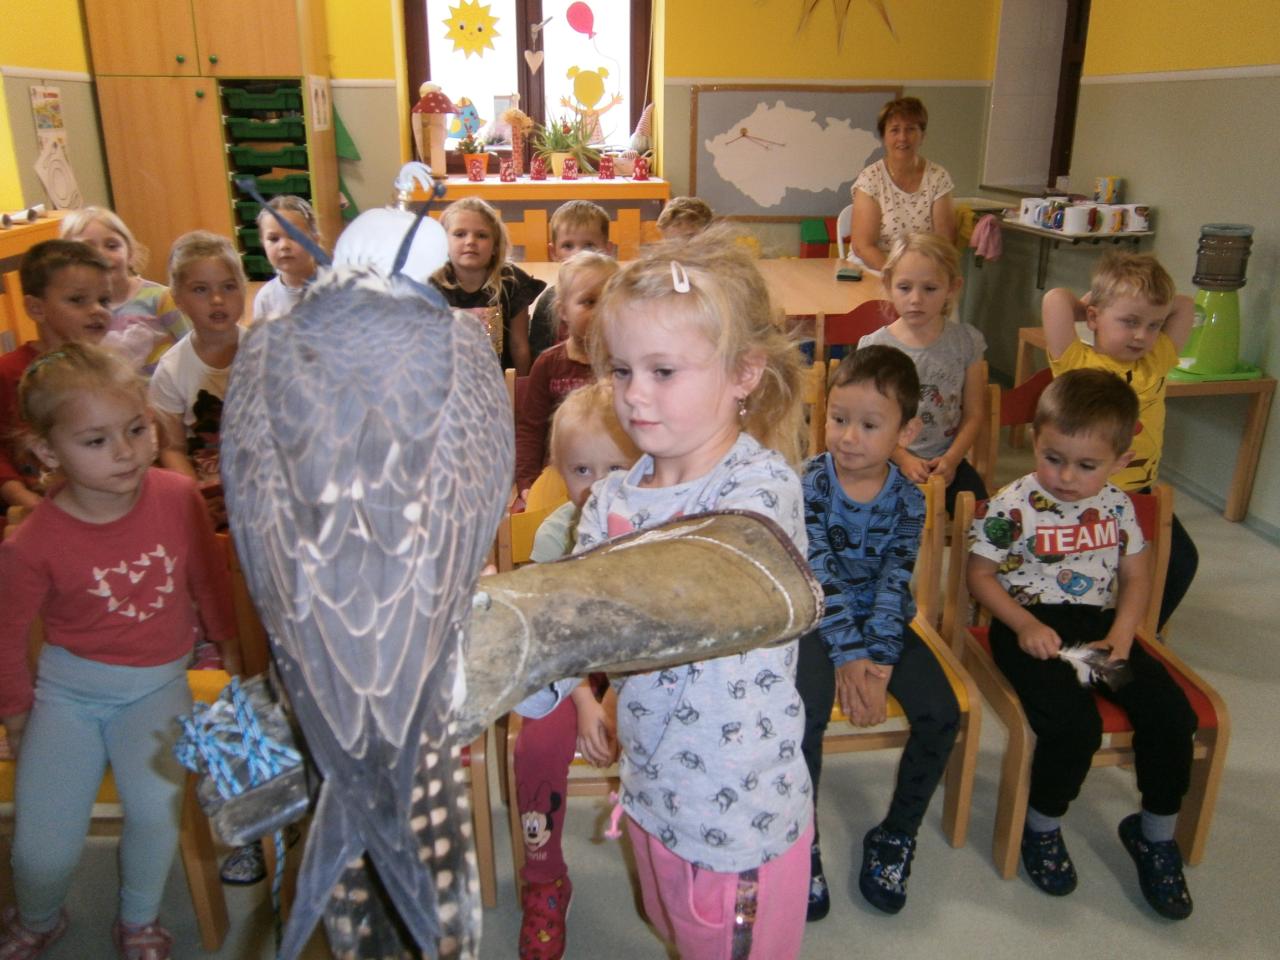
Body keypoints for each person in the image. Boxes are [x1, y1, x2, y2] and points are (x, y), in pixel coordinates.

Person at [577, 227, 812, 959]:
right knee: (675, 929)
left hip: (739, 816)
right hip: (653, 790)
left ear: (744, 373)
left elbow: (687, 597)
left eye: (663, 371)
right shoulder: (611, 498)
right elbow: (574, 626)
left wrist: (569, 604)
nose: (633, 395)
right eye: (622, 370)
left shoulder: (761, 492)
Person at [0, 343, 239, 959]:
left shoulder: (176, 496)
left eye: (136, 429)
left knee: (156, 813)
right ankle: (38, 914)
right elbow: (5, 638)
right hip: (68, 696)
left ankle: (138, 918)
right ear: (48, 452)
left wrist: (229, 650)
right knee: (43, 843)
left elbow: (207, 579)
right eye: (96, 440)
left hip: (159, 688)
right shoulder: (32, 542)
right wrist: (18, 719)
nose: (126, 451)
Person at [966, 368, 1197, 919]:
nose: (1066, 477)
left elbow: (1137, 578)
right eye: (1053, 458)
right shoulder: (1011, 504)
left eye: (1086, 465)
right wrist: (1022, 624)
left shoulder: (1118, 506)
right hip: (1027, 629)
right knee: (1074, 726)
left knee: (1171, 716)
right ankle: (1042, 825)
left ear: (1120, 458)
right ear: (1035, 440)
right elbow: (979, 576)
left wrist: (1121, 636)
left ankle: (1154, 834)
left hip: (1100, 631)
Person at [798, 344, 959, 919]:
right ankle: (801, 839)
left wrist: (881, 662)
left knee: (942, 713)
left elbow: (896, 579)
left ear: (906, 431)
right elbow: (817, 572)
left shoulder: (909, 499)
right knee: (801, 714)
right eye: (838, 419)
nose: (847, 437)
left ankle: (896, 834)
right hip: (816, 620)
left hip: (882, 623)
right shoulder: (807, 483)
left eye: (869, 425)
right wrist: (849, 658)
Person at [512, 381, 640, 960]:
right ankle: (544, 878)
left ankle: (677, 856)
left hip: (637, 667)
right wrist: (586, 700)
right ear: (558, 472)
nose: (598, 486)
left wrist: (617, 695)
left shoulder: (651, 529)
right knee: (537, 741)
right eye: (582, 470)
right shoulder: (553, 534)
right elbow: (554, 639)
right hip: (569, 672)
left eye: (616, 468)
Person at [1041, 251, 1197, 628]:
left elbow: (1185, 305)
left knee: (1181, 560)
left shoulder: (1155, 359)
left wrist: (1136, 305)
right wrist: (1090, 305)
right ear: (1094, 317)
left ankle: (1139, 629)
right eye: (1129, 322)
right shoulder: (1076, 361)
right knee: (1084, 570)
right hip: (1078, 495)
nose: (1142, 335)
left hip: (1137, 493)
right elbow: (1055, 300)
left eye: (1153, 325)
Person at [860, 233, 987, 513]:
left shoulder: (966, 342)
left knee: (982, 517)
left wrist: (952, 460)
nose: (916, 299)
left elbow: (974, 413)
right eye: (904, 287)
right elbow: (866, 421)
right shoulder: (875, 347)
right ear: (888, 284)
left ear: (952, 288)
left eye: (930, 288)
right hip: (887, 460)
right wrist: (902, 458)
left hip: (946, 461)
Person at [1, 240, 113, 513]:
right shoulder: (8, 371)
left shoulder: (109, 370)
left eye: (104, 300)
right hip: (36, 507)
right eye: (78, 300)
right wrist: (27, 502)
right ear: (36, 308)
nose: (97, 310)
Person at [149, 232, 247, 497]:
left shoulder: (266, 352)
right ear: (178, 298)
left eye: (228, 287)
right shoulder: (171, 370)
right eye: (201, 289)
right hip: (208, 486)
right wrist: (195, 497)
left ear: (243, 288)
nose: (217, 299)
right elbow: (172, 449)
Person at [514, 251, 618, 498]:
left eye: (609, 302)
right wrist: (528, 482)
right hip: (561, 479)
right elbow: (531, 430)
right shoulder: (548, 364)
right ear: (563, 311)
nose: (600, 312)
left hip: (617, 478)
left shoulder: (628, 362)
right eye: (589, 302)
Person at [60, 207, 189, 376]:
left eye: (112, 246)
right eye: (88, 249)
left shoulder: (161, 298)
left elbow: (192, 343)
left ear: (130, 253)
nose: (101, 255)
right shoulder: (74, 312)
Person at [431, 197, 545, 376]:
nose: (470, 241)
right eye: (460, 234)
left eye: (481, 235)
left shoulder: (512, 282)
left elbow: (519, 346)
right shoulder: (431, 286)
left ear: (495, 246)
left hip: (498, 382)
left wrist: (521, 387)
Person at [849, 97, 956, 271]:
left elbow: (945, 243)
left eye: (911, 129)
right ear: (884, 137)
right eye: (895, 130)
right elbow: (863, 246)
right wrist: (898, 275)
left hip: (923, 271)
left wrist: (918, 276)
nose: (903, 137)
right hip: (877, 268)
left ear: (922, 136)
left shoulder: (938, 178)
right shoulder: (870, 179)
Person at [529, 200, 613, 360]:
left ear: (607, 250)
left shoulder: (615, 296)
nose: (578, 254)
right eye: (568, 246)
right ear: (553, 252)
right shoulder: (549, 300)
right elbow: (539, 355)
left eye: (589, 246)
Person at [252, 196, 321, 323]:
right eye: (274, 239)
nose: (284, 246)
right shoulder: (266, 299)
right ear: (263, 244)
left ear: (315, 240)